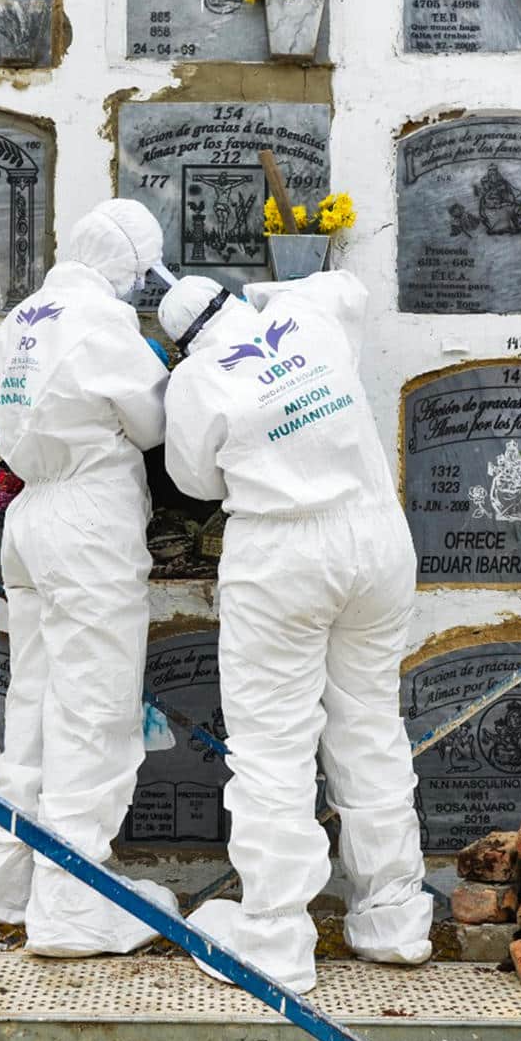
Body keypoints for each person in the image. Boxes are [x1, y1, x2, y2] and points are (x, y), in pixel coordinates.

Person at [157, 269, 432, 994]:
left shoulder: (194, 381)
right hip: (374, 540)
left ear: (180, 342)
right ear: (232, 302)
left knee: (273, 744)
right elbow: (350, 283)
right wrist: (263, 294)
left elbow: (194, 482)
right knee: (370, 724)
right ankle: (395, 917)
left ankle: (276, 937)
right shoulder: (306, 316)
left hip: (281, 552)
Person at [0, 199, 177, 956]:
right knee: (95, 704)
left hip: (33, 519)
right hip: (88, 516)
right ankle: (76, 901)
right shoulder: (102, 322)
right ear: (129, 265)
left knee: (38, 693)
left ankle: (10, 874)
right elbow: (153, 423)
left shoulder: (21, 318)